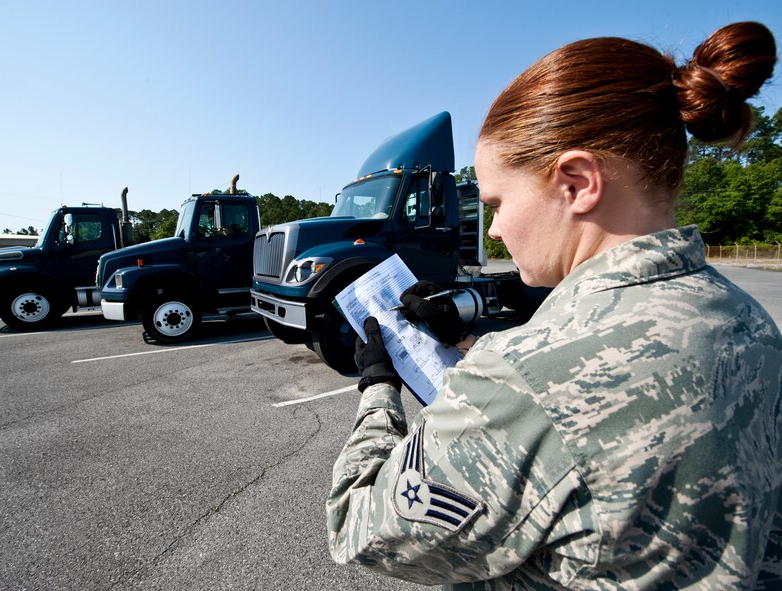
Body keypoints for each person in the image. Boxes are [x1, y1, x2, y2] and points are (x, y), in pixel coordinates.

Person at [326, 21, 782, 590]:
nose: (493, 230)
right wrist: (468, 349)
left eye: (496, 201)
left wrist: (378, 390)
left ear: (577, 183)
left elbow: (359, 528)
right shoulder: (751, 323)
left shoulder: (529, 376)